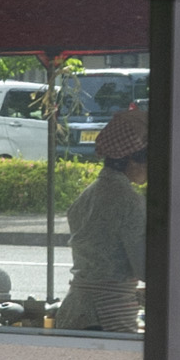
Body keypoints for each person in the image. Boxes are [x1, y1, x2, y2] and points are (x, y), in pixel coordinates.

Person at [54, 103, 150, 332]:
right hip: (105, 316)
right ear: (133, 160)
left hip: (75, 309)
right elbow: (145, 268)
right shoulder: (129, 201)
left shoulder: (88, 194)